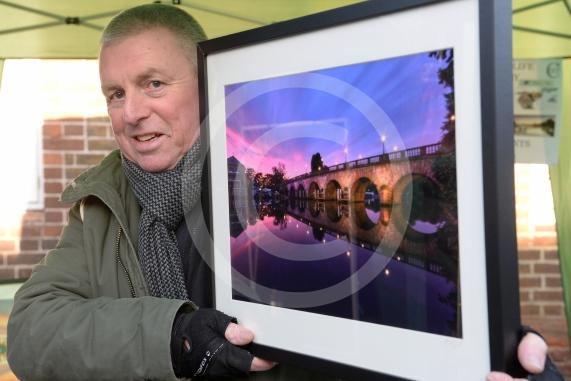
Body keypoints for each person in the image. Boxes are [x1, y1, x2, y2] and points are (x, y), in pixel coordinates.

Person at [6, 4, 559, 381]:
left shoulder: (248, 187)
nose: (130, 112)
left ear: (204, 86)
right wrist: (173, 335)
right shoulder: (102, 206)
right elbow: (29, 334)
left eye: (153, 83)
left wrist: (482, 356)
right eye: (114, 93)